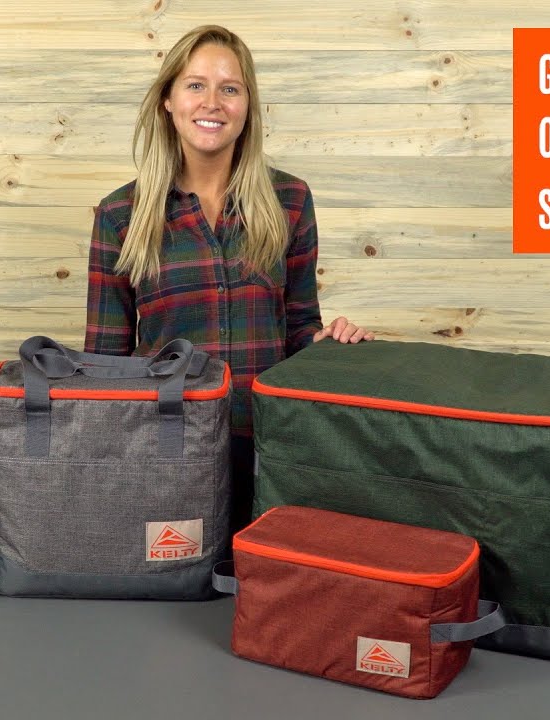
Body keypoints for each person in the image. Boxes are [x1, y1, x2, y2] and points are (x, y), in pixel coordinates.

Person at [84, 24, 373, 529]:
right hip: (166, 450)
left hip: (270, 449)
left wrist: (330, 344)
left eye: (230, 88)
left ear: (247, 105)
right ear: (168, 101)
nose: (212, 103)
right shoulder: (120, 214)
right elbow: (104, 366)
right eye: (195, 85)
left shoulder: (290, 200)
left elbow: (299, 327)